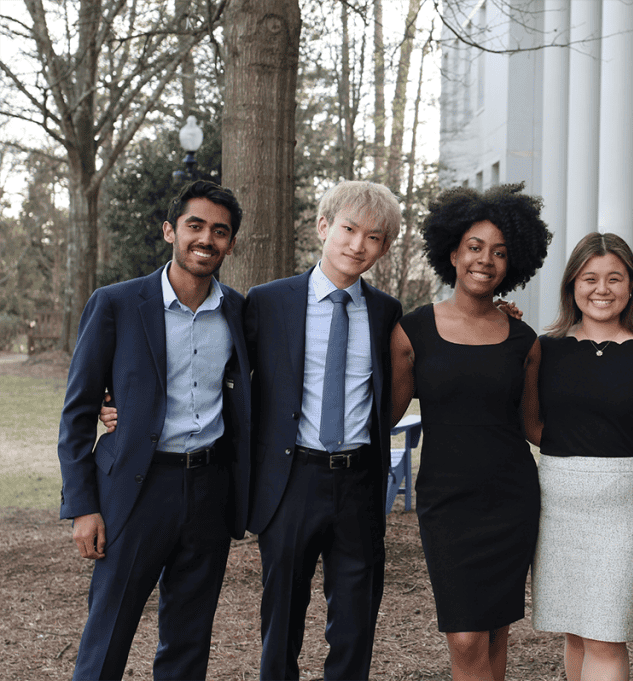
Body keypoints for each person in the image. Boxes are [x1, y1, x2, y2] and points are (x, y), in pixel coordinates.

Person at [59, 180, 250, 680]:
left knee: (189, 639)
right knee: (108, 633)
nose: (206, 239)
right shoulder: (117, 303)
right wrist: (82, 506)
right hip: (135, 489)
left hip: (209, 489)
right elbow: (78, 411)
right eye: (195, 226)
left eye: (220, 231)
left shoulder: (238, 312)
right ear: (170, 231)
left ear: (230, 243)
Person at [390, 183, 549, 681]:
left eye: (500, 252)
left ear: (514, 262)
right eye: (475, 247)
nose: (486, 260)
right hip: (447, 502)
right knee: (464, 635)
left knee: (497, 629)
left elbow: (535, 426)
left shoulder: (524, 338)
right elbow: (383, 418)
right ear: (453, 252)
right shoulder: (411, 330)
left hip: (511, 498)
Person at [245, 181, 403, 680]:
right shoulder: (267, 302)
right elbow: (218, 370)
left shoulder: (386, 313)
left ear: (384, 247)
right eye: (349, 229)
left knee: (356, 616)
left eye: (373, 237)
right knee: (283, 611)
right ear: (323, 227)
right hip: (292, 480)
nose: (357, 245)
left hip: (358, 481)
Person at [527, 232, 633, 681]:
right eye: (589, 278)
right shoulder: (546, 348)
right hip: (557, 500)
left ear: (631, 286)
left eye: (615, 278)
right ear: (572, 285)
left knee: (605, 635)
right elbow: (530, 422)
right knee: (575, 632)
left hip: (622, 505)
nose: (602, 289)